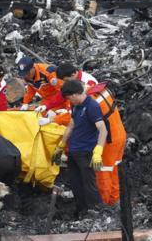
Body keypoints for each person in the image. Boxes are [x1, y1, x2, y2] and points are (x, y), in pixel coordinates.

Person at [52, 80, 105, 216]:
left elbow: (103, 130)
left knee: (89, 184)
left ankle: (96, 211)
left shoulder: (92, 106)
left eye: (69, 98)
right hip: (73, 151)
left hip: (86, 151)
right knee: (75, 183)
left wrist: (98, 151)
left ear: (76, 94)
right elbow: (71, 125)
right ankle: (81, 211)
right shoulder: (75, 105)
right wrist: (61, 145)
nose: (69, 101)